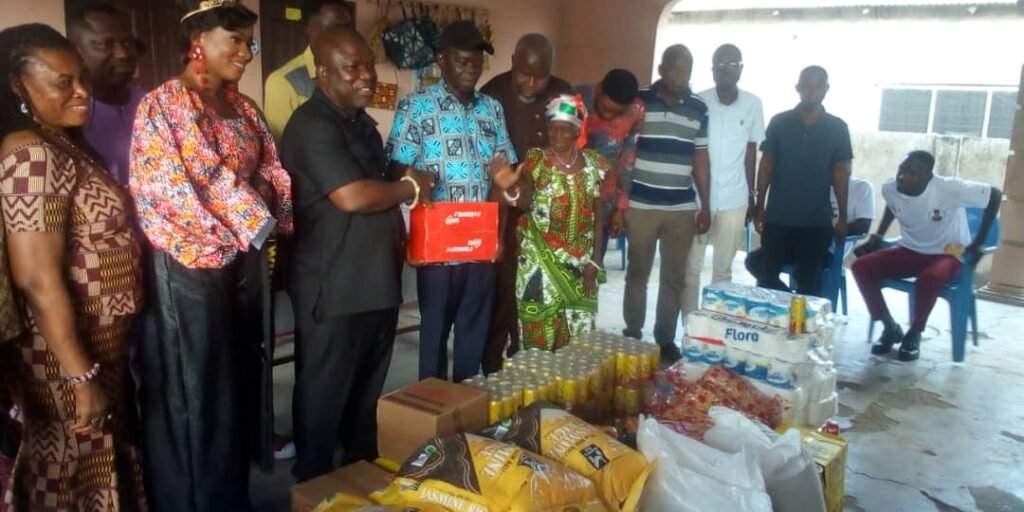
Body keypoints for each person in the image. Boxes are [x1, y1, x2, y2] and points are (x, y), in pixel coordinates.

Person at [129, 1, 293, 509]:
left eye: (250, 42)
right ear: (198, 40)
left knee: (237, 383)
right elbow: (179, 191)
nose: (246, 53)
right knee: (196, 394)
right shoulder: (165, 105)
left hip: (241, 260)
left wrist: (262, 206)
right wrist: (251, 215)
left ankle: (230, 494)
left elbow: (273, 170)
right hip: (188, 265)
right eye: (235, 40)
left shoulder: (242, 108)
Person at [0, 23, 145, 510]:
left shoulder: (60, 143)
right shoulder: (31, 155)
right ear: (18, 86)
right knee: (66, 470)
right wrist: (80, 376)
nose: (82, 91)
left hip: (98, 342)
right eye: (63, 82)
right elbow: (36, 279)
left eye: (81, 77)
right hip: (63, 354)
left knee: (97, 460)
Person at [281, 28, 434, 482]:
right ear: (323, 74)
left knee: (366, 398)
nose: (366, 75)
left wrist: (406, 177)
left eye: (368, 64)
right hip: (335, 286)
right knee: (324, 394)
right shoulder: (312, 125)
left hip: (376, 282)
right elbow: (352, 196)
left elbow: (380, 177)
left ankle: (359, 475)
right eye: (352, 68)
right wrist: (409, 187)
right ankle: (312, 485)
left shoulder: (361, 123)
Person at [386, 20, 516, 383]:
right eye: (462, 60)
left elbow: (503, 176)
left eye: (476, 60)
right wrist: (415, 176)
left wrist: (498, 237)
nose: (471, 68)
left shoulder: (492, 109)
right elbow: (392, 166)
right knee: (434, 333)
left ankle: (464, 402)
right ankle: (431, 404)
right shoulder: (416, 106)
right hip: (436, 245)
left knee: (474, 333)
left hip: (479, 242)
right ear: (441, 60)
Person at [852, 151, 1001, 361]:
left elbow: (994, 195)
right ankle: (889, 327)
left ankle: (914, 333)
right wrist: (878, 236)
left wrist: (978, 243)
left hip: (949, 253)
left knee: (929, 278)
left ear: (927, 176)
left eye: (912, 173)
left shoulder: (949, 188)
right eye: (901, 170)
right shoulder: (891, 188)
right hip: (910, 249)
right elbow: (894, 205)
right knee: (861, 267)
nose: (902, 177)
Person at [479, 34, 571, 373]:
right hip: (505, 210)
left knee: (541, 290)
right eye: (524, 74)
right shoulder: (492, 95)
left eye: (540, 76)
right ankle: (492, 364)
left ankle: (530, 360)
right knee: (502, 292)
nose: (531, 83)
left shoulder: (562, 94)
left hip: (547, 213)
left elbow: (571, 145)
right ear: (513, 62)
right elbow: (486, 156)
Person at [622, 45, 710, 362]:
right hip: (641, 204)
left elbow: (700, 157)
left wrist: (705, 204)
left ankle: (664, 339)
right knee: (637, 273)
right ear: (661, 69)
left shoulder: (699, 107)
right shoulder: (639, 100)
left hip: (681, 209)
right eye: (675, 68)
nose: (681, 75)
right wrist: (620, 200)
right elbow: (623, 147)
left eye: (687, 70)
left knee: (674, 278)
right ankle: (632, 334)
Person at [500, 95, 607, 350]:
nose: (557, 134)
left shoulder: (594, 165)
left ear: (577, 131)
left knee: (578, 339)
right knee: (538, 337)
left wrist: (595, 261)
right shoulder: (535, 161)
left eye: (564, 128)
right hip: (539, 263)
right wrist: (512, 189)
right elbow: (523, 197)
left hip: (581, 265)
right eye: (552, 128)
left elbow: (598, 217)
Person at [752, 65, 852, 297]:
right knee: (766, 278)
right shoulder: (779, 122)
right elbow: (766, 164)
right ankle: (786, 307)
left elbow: (841, 172)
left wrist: (843, 217)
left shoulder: (838, 128)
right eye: (807, 86)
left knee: (809, 283)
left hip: (816, 223)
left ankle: (799, 312)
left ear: (826, 89)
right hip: (778, 219)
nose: (812, 91)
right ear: (798, 88)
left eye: (818, 86)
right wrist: (760, 207)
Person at [683, 44, 765, 315]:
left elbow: (751, 152)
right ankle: (689, 326)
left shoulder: (753, 104)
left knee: (723, 271)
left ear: (741, 68)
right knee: (690, 269)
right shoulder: (698, 101)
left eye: (731, 64)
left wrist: (752, 197)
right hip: (698, 198)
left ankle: (714, 326)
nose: (725, 69)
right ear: (712, 70)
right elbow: (691, 150)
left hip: (734, 199)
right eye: (719, 64)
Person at [67, 1, 145, 187]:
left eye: (127, 43)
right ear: (75, 52)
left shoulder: (153, 104)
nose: (123, 54)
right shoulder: (71, 116)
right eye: (105, 44)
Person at [746, 177, 875, 281]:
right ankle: (788, 299)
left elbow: (863, 226)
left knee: (805, 273)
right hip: (800, 241)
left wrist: (824, 232)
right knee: (755, 261)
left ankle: (800, 301)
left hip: (829, 249)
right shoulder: (815, 184)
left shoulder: (861, 188)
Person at [575, 69, 644, 263]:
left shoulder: (636, 111)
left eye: (616, 112)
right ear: (599, 90)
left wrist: (620, 208)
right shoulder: (577, 98)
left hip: (604, 203)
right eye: (605, 107)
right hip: (569, 197)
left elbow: (628, 160)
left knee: (593, 265)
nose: (608, 115)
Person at [264, 0, 354, 140]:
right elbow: (279, 145)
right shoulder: (282, 81)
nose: (345, 37)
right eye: (335, 29)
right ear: (312, 32)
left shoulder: (352, 74)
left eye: (348, 29)